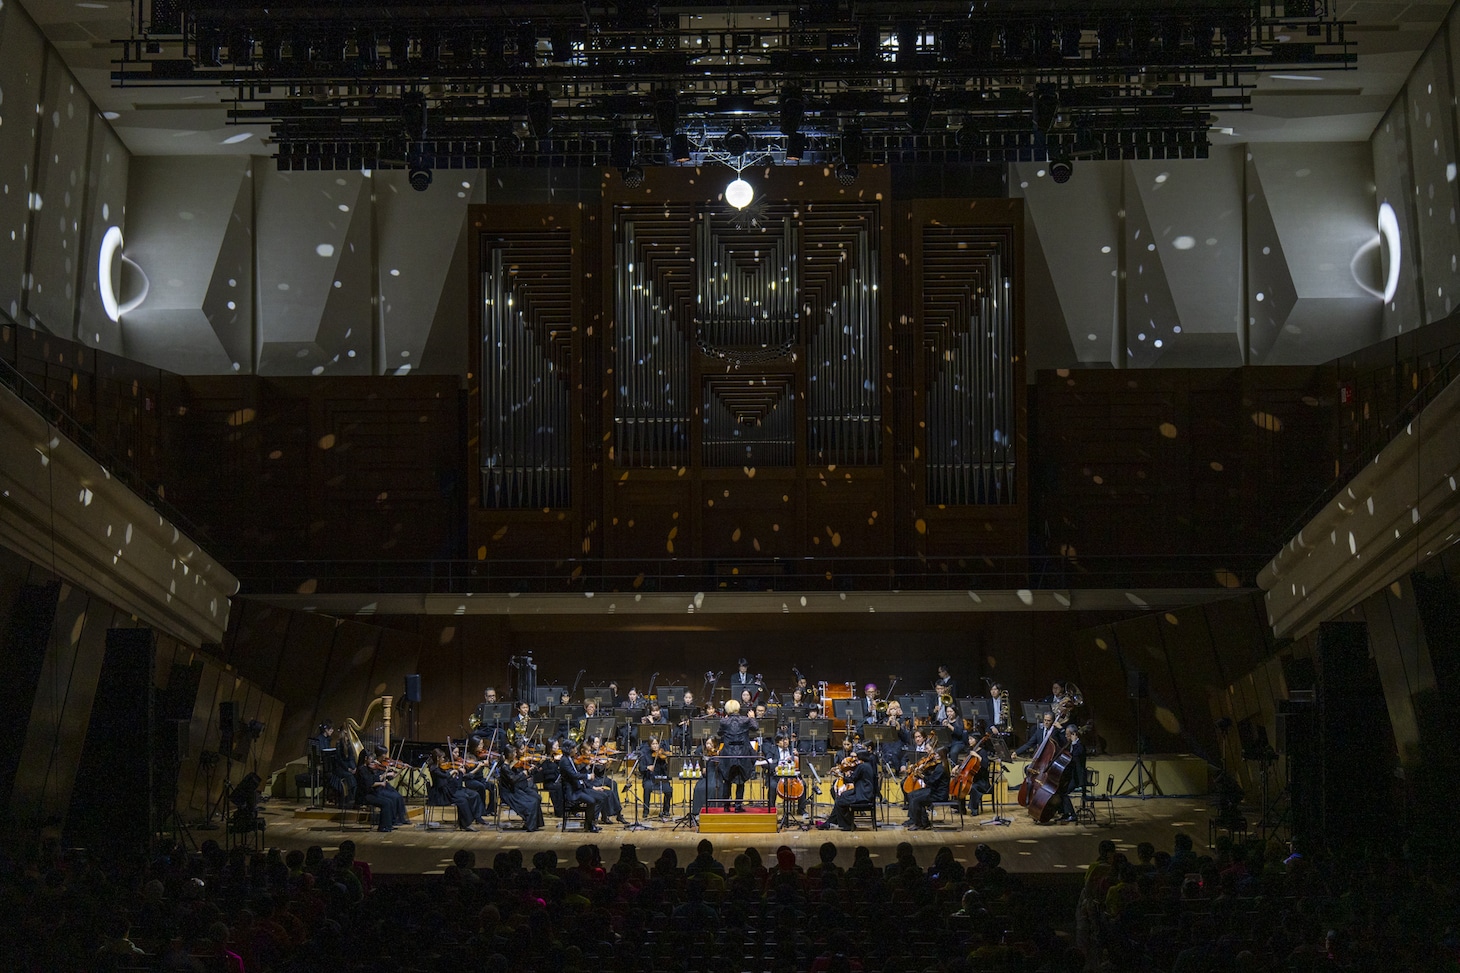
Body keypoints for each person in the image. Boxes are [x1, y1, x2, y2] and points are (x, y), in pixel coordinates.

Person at [557, 739, 610, 832]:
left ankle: (590, 822)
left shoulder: (570, 759)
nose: (576, 750)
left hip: (579, 788)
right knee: (592, 801)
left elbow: (577, 773)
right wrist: (588, 776)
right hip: (573, 792)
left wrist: (587, 767)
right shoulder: (564, 761)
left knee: (603, 796)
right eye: (574, 748)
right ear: (568, 749)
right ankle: (590, 824)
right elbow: (574, 775)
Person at [715, 699, 758, 811]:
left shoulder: (724, 722)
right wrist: (752, 717)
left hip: (728, 754)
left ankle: (726, 806)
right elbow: (755, 728)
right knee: (740, 780)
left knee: (727, 779)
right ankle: (738, 806)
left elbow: (719, 733)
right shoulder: (745, 720)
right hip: (742, 753)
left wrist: (724, 722)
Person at [427, 748, 484, 831]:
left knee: (464, 799)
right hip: (440, 794)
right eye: (442, 758)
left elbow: (446, 778)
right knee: (463, 800)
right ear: (438, 758)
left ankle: (465, 823)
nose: (444, 760)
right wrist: (452, 772)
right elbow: (445, 776)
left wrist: (454, 774)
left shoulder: (438, 767)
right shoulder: (434, 769)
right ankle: (466, 824)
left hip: (446, 791)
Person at [355, 745, 408, 832]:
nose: (372, 760)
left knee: (390, 801)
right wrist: (381, 783)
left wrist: (384, 775)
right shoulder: (362, 770)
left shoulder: (366, 769)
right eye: (370, 758)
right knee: (386, 803)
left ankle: (389, 824)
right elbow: (369, 784)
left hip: (370, 793)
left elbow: (373, 780)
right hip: (364, 795)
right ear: (365, 758)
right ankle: (383, 827)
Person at [820, 747, 875, 831]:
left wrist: (840, 775)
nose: (855, 759)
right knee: (841, 797)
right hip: (865, 792)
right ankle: (833, 822)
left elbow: (851, 779)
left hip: (862, 795)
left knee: (840, 801)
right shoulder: (868, 765)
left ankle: (847, 824)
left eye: (857, 757)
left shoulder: (862, 767)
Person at [498, 746, 544, 831]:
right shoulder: (504, 767)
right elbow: (513, 780)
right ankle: (530, 825)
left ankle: (534, 824)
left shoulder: (509, 765)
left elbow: (517, 777)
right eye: (514, 753)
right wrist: (523, 774)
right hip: (508, 793)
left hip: (514, 790)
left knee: (535, 799)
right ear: (509, 755)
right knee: (532, 802)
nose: (516, 754)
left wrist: (529, 771)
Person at [904, 746, 949, 830]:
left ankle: (920, 823)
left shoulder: (941, 768)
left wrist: (922, 776)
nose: (934, 756)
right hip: (934, 791)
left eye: (936, 754)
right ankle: (920, 821)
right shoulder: (939, 766)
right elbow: (931, 778)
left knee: (916, 800)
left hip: (939, 794)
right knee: (911, 795)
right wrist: (922, 773)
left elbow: (931, 781)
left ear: (940, 756)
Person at [766, 731, 807, 822]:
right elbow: (766, 763)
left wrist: (798, 756)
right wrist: (775, 767)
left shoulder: (792, 750)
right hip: (777, 777)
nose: (785, 742)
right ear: (777, 742)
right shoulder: (772, 750)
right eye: (782, 740)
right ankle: (771, 808)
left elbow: (803, 762)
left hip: (792, 776)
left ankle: (801, 809)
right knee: (772, 786)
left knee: (803, 784)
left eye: (787, 739)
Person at [1058, 724, 1088, 823]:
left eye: (1068, 735)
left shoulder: (1079, 745)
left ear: (1073, 734)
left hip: (1078, 777)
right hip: (1071, 776)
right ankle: (1065, 813)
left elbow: (1075, 756)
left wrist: (1074, 743)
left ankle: (1072, 815)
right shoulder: (1071, 744)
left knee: (1064, 792)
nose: (1066, 737)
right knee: (1060, 790)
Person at [639, 736, 673, 819]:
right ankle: (646, 811)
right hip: (649, 779)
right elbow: (641, 769)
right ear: (650, 745)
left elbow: (667, 771)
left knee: (669, 790)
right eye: (653, 744)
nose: (655, 746)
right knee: (647, 788)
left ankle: (666, 810)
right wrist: (647, 768)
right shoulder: (644, 755)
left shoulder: (662, 755)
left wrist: (665, 762)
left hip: (661, 778)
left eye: (657, 744)